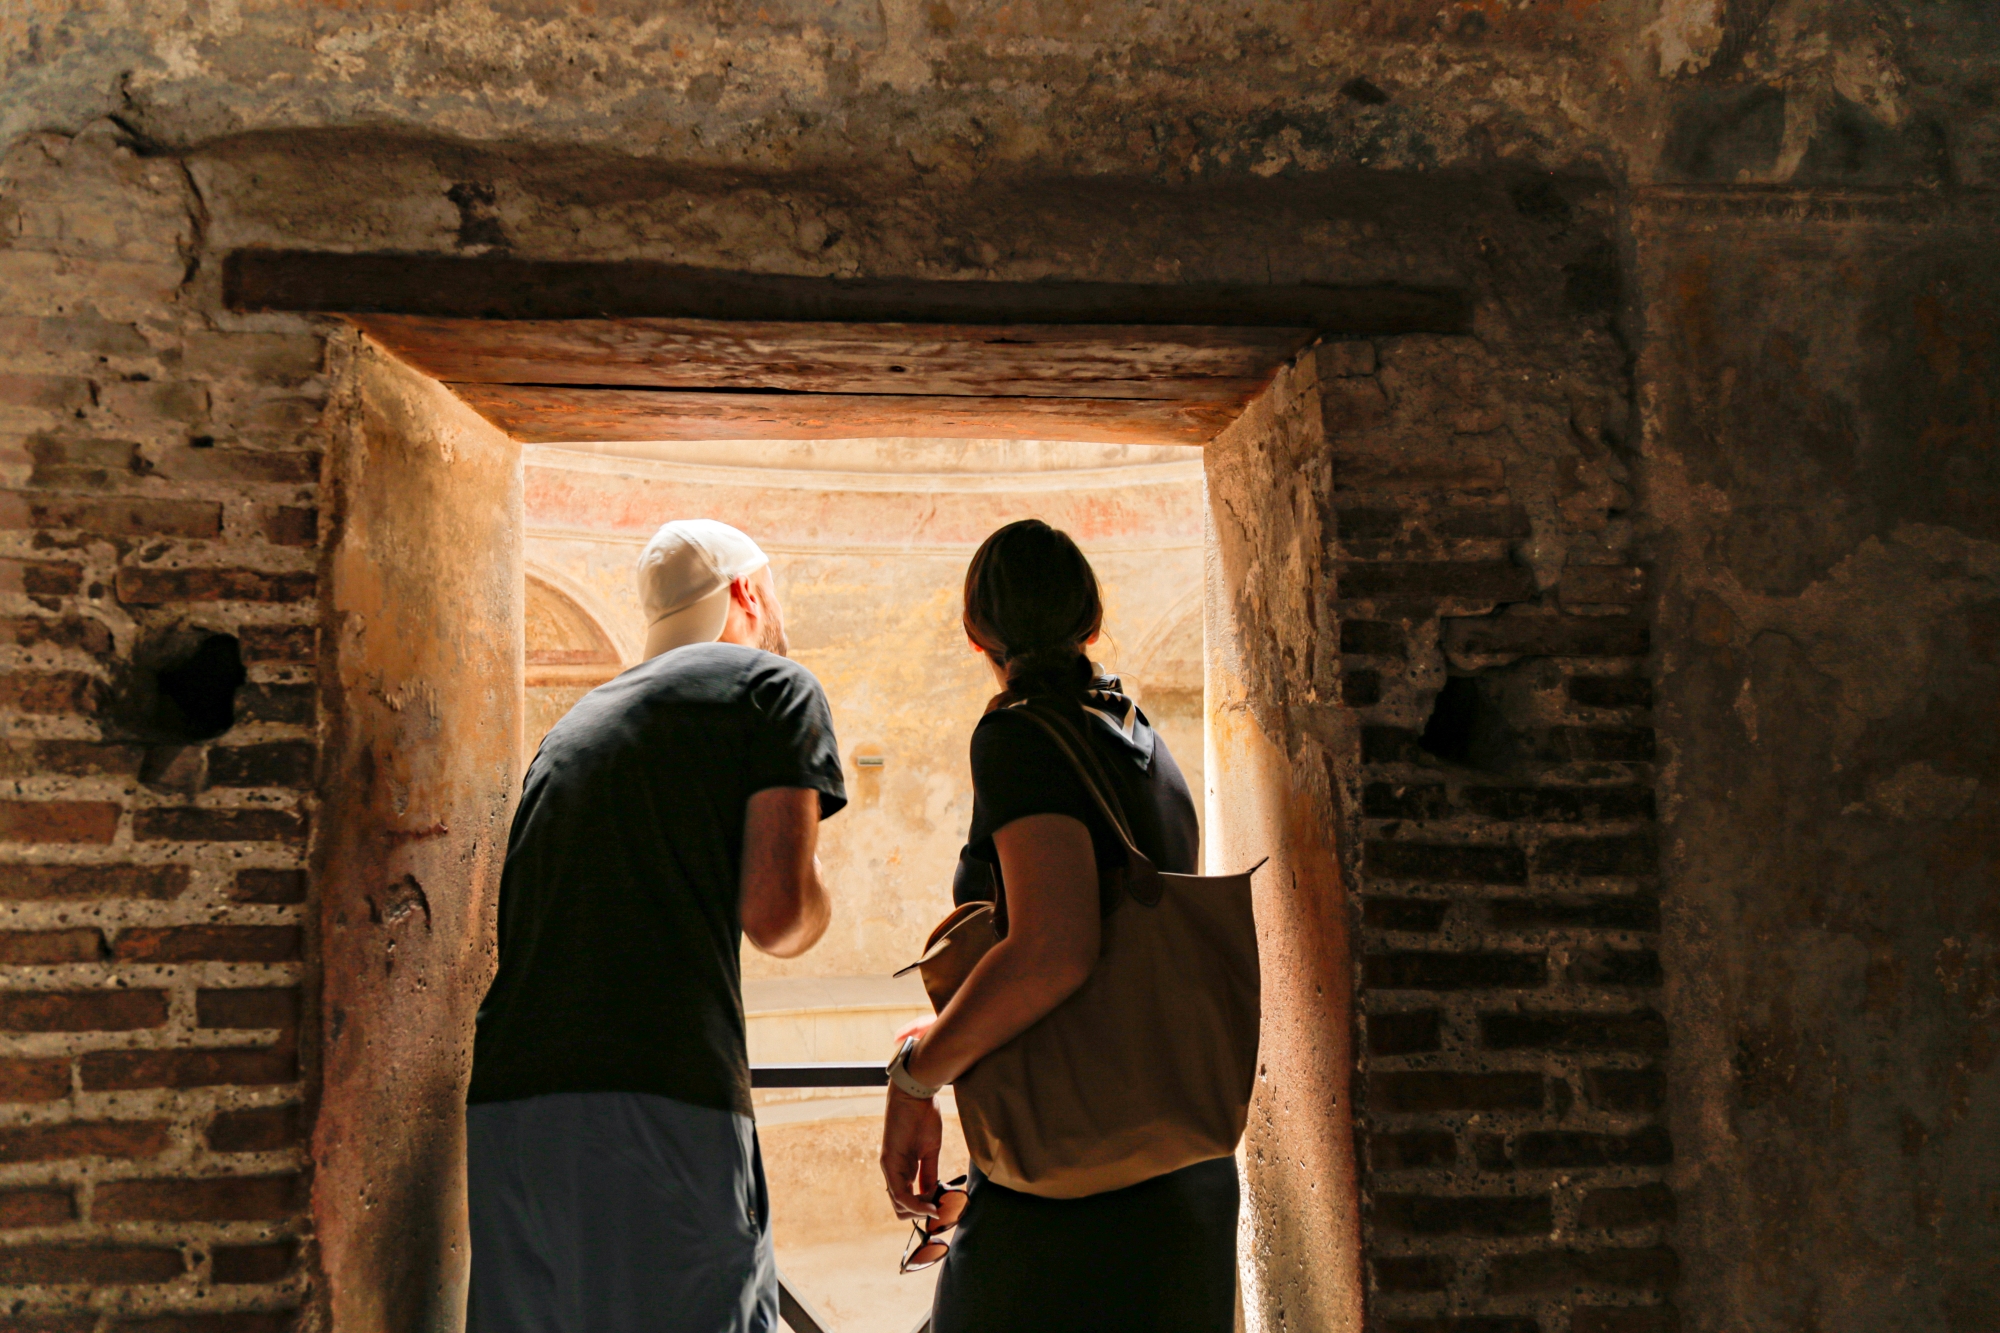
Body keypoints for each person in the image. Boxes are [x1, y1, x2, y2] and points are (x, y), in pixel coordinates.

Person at [466, 519, 846, 1333]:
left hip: (511, 1108)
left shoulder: (574, 723)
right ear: (747, 591)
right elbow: (777, 916)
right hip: (656, 1099)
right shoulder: (774, 687)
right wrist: (820, 891)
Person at [878, 519, 1238, 1333]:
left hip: (1074, 1193)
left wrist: (916, 1076)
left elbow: (1053, 949)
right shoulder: (1140, 737)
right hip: (1182, 1174)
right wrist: (958, 1019)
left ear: (976, 633)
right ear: (1092, 619)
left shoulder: (1021, 736)